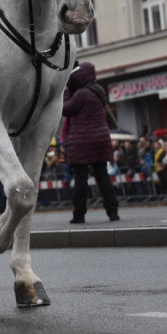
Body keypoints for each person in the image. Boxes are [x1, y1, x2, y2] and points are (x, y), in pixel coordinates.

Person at [61, 61, 119, 224]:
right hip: (101, 139)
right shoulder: (99, 90)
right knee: (103, 177)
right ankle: (112, 212)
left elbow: (65, 108)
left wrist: (66, 92)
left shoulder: (81, 94)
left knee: (81, 180)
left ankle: (79, 214)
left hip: (83, 141)